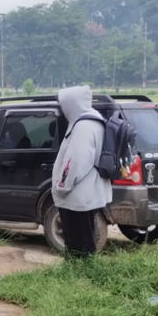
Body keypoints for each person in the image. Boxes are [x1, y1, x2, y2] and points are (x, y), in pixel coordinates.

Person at [51, 86, 112, 257]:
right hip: (86, 194)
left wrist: (62, 186)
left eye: (63, 104)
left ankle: (80, 270)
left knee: (78, 244)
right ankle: (83, 269)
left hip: (77, 196)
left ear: (72, 104)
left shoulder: (84, 126)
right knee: (84, 239)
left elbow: (76, 162)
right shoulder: (93, 120)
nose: (62, 108)